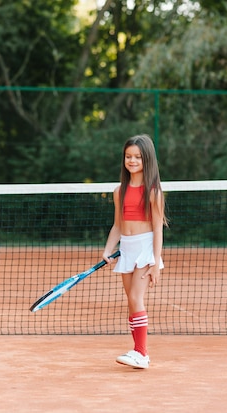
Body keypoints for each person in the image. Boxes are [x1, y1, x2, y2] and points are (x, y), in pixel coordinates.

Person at [102, 134, 166, 369]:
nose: (132, 160)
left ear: (146, 159)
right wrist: (108, 250)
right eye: (128, 156)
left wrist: (156, 261)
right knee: (131, 300)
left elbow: (158, 229)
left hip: (145, 247)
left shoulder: (154, 192)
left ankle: (141, 352)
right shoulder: (119, 191)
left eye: (137, 157)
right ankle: (140, 352)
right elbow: (118, 225)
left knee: (136, 298)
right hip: (126, 248)